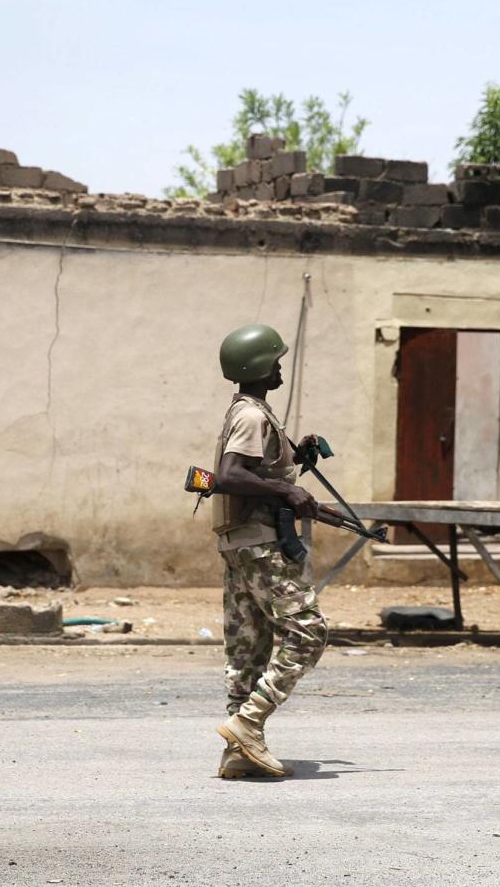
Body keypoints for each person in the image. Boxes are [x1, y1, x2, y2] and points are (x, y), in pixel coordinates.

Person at [211, 323, 329, 779]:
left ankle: (241, 752)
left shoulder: (250, 411)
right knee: (308, 630)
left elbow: (252, 469)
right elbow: (230, 475)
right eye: (275, 360)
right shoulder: (251, 415)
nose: (280, 366)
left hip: (241, 541)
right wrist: (288, 492)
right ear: (259, 365)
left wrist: (296, 461)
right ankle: (248, 721)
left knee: (248, 645)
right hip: (260, 544)